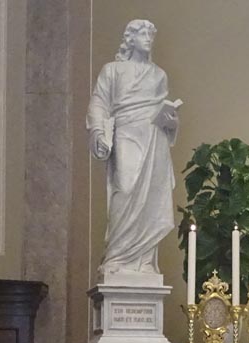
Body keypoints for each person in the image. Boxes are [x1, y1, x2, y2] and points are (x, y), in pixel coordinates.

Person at [86, 19, 178, 280]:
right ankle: (116, 257)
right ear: (130, 39)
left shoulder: (159, 75)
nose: (148, 38)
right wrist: (98, 131)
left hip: (155, 137)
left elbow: (166, 110)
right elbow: (99, 103)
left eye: (150, 34)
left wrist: (172, 121)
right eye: (142, 33)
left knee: (152, 199)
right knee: (125, 188)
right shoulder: (112, 70)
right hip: (126, 133)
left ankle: (144, 261)